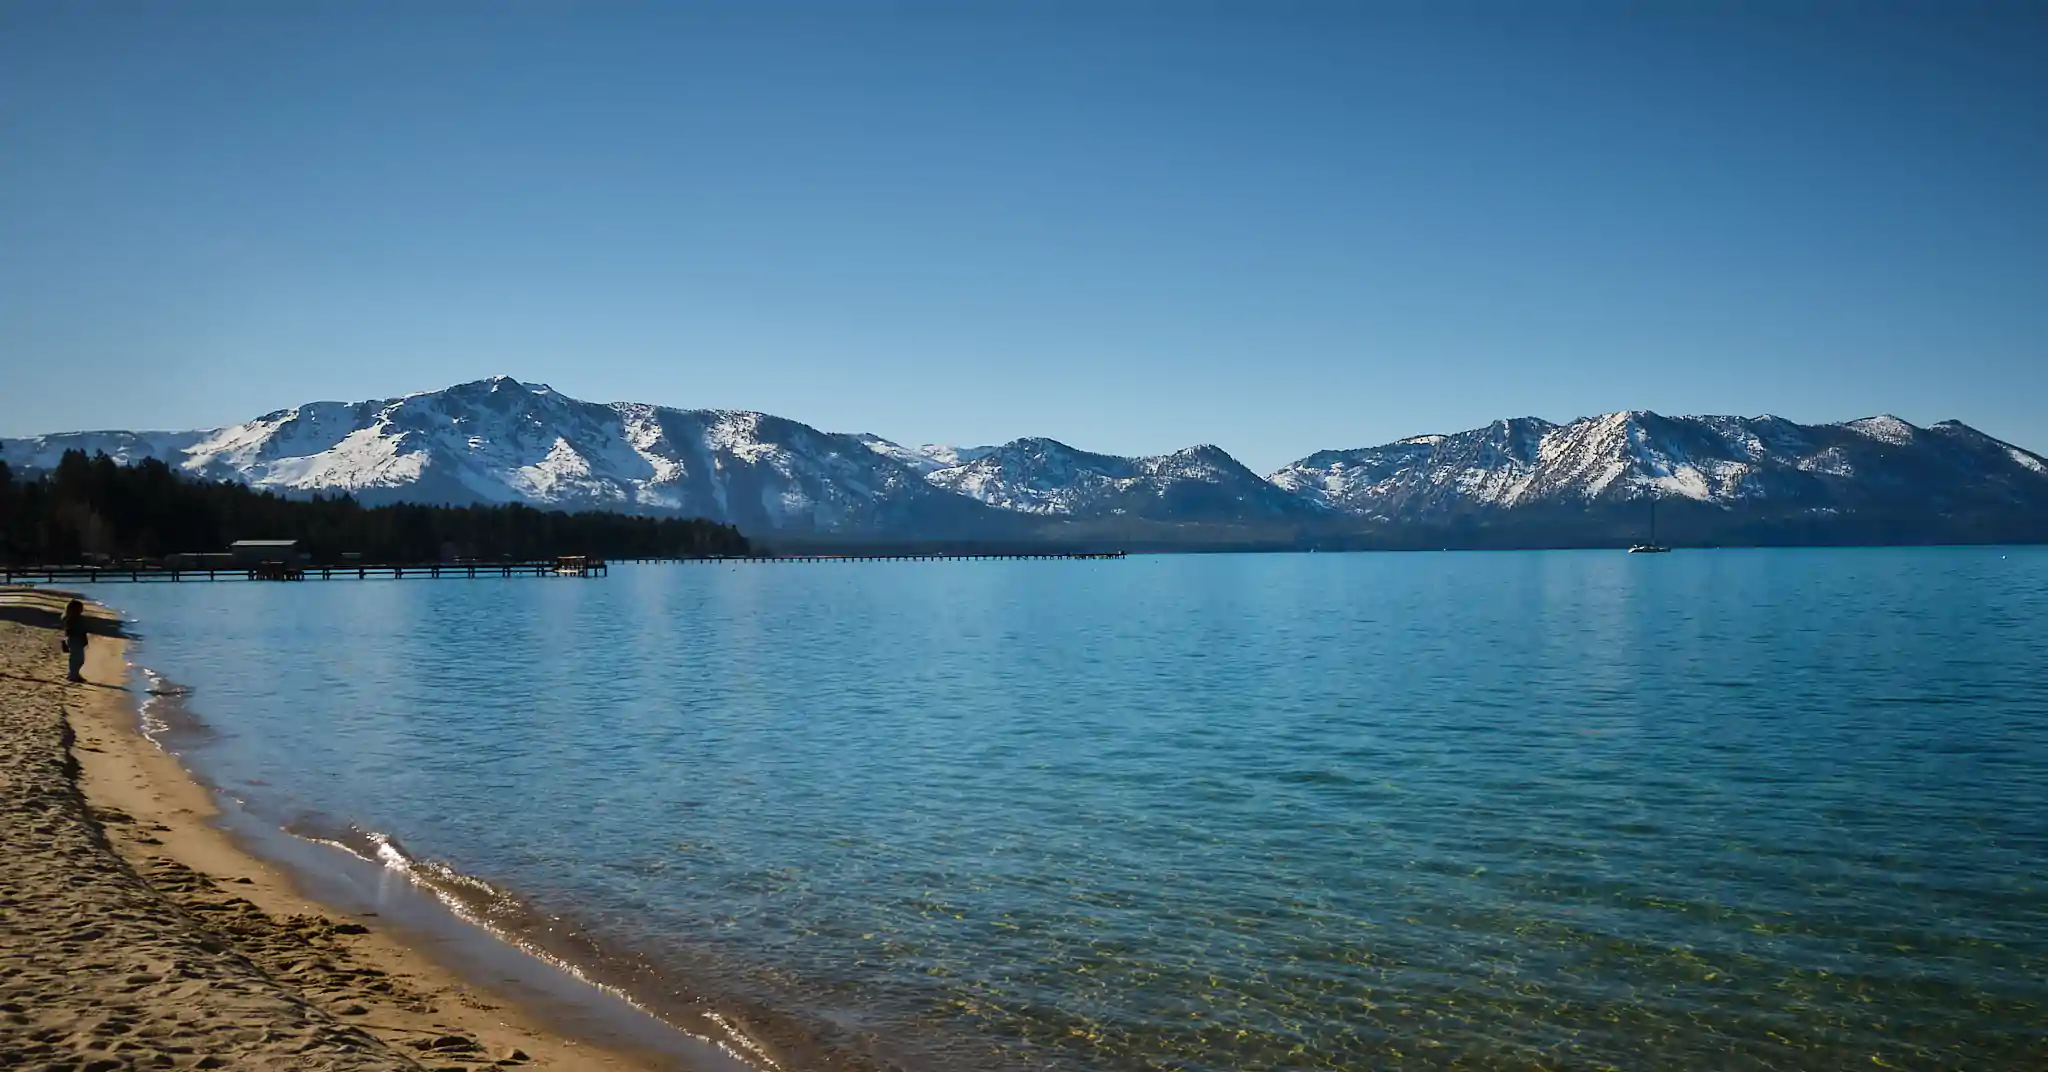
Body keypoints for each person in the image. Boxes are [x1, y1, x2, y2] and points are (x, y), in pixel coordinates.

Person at [61, 599, 89, 683]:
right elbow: (69, 631)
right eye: (80, 608)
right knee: (77, 659)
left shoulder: (76, 618)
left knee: (78, 659)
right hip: (74, 640)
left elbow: (83, 630)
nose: (82, 609)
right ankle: (73, 675)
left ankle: (74, 674)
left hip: (77, 640)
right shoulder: (71, 619)